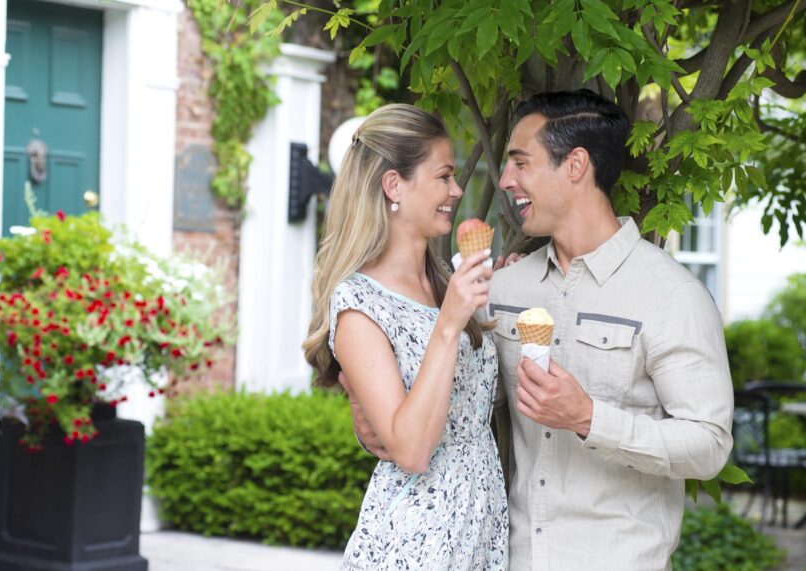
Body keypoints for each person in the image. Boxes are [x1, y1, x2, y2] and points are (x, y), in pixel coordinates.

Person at [348, 90, 734, 571]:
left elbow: (710, 446)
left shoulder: (672, 298)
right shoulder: (502, 289)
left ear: (575, 166)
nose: (505, 179)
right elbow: (455, 406)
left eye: (521, 162)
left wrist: (589, 417)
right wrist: (373, 419)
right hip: (507, 559)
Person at [303, 103, 508, 570]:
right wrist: (450, 324)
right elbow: (411, 451)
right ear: (394, 185)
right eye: (443, 176)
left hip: (479, 527)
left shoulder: (442, 282)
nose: (457, 191)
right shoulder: (359, 305)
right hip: (416, 539)